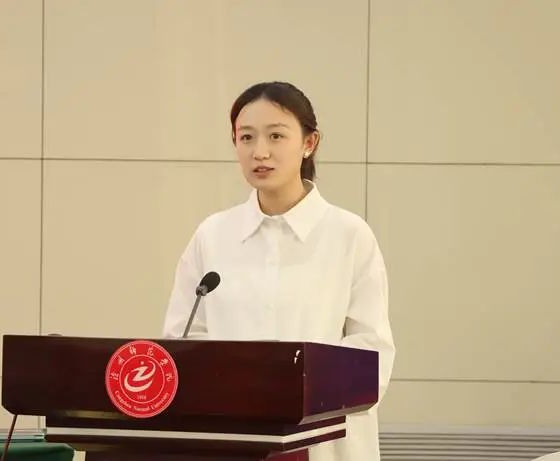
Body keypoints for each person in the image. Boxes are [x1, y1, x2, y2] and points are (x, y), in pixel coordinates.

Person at [162, 81, 395, 460]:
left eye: (276, 136)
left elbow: (371, 350)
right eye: (246, 137)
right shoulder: (213, 236)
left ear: (309, 143)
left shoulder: (348, 235)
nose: (260, 152)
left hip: (321, 441)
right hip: (230, 439)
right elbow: (183, 340)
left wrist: (296, 393)